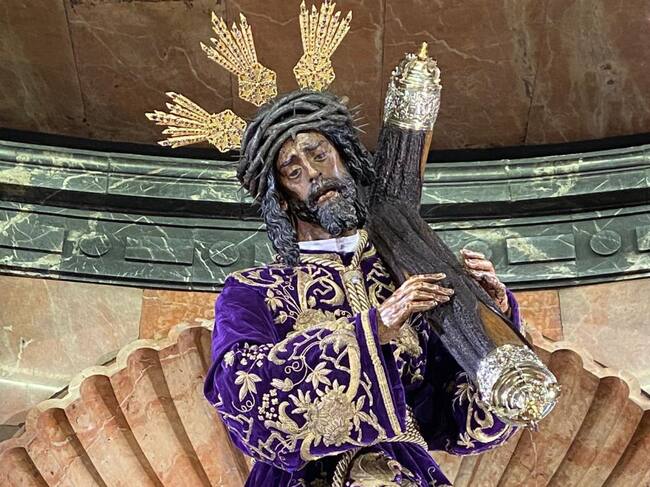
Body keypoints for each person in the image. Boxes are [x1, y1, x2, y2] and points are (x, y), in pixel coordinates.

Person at [203, 90, 522, 486]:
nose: (314, 173)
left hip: (404, 471)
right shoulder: (252, 291)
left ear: (345, 157)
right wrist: (372, 331)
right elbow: (241, 393)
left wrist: (492, 323)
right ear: (281, 199)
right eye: (294, 171)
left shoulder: (410, 272)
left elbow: (466, 423)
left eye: (319, 155)